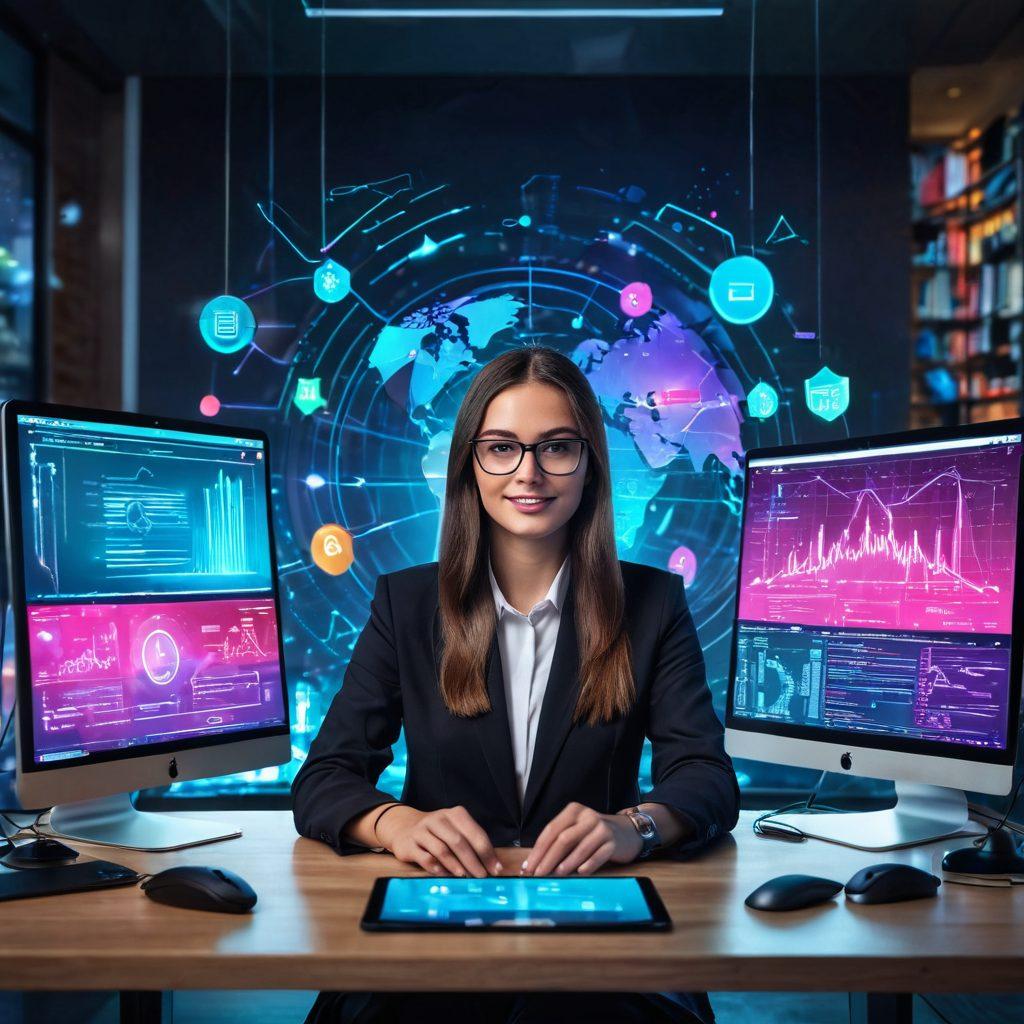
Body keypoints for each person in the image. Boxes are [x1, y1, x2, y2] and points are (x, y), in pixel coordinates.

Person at [293, 346, 740, 1023]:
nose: (528, 473)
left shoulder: (652, 604)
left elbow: (706, 777)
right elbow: (324, 778)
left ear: (590, 463)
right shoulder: (406, 604)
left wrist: (637, 828)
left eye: (556, 447)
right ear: (470, 464)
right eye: (501, 448)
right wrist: (396, 824)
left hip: (600, 947)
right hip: (437, 939)